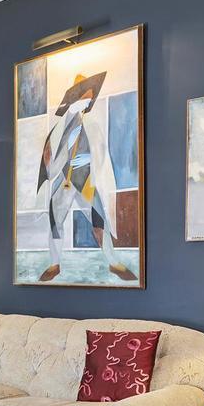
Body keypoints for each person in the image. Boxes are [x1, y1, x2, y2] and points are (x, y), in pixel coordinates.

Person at [36, 71, 136, 282]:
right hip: (64, 180)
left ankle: (113, 263)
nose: (88, 101)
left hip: (86, 181)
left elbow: (100, 152)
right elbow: (50, 157)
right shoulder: (59, 128)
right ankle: (54, 264)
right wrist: (60, 160)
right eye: (84, 97)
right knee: (55, 222)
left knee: (99, 221)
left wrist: (89, 158)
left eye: (90, 98)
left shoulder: (91, 125)